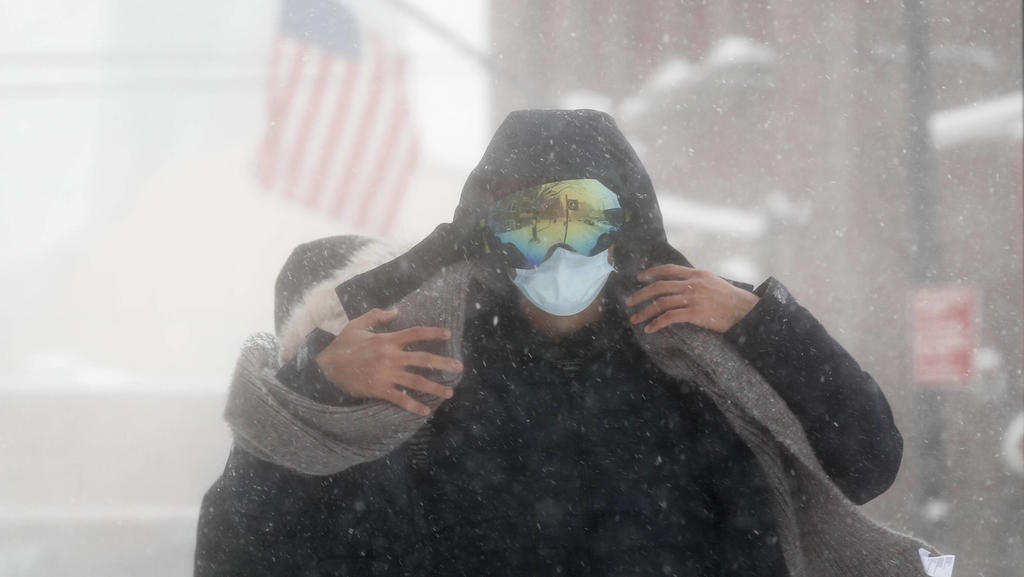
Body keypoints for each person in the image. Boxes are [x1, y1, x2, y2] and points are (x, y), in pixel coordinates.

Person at [196, 109, 939, 576]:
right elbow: (252, 544)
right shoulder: (422, 361)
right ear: (489, 232)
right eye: (531, 219)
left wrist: (763, 322)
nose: (557, 250)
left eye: (582, 216)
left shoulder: (693, 354)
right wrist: (320, 386)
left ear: (627, 227)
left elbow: (868, 458)